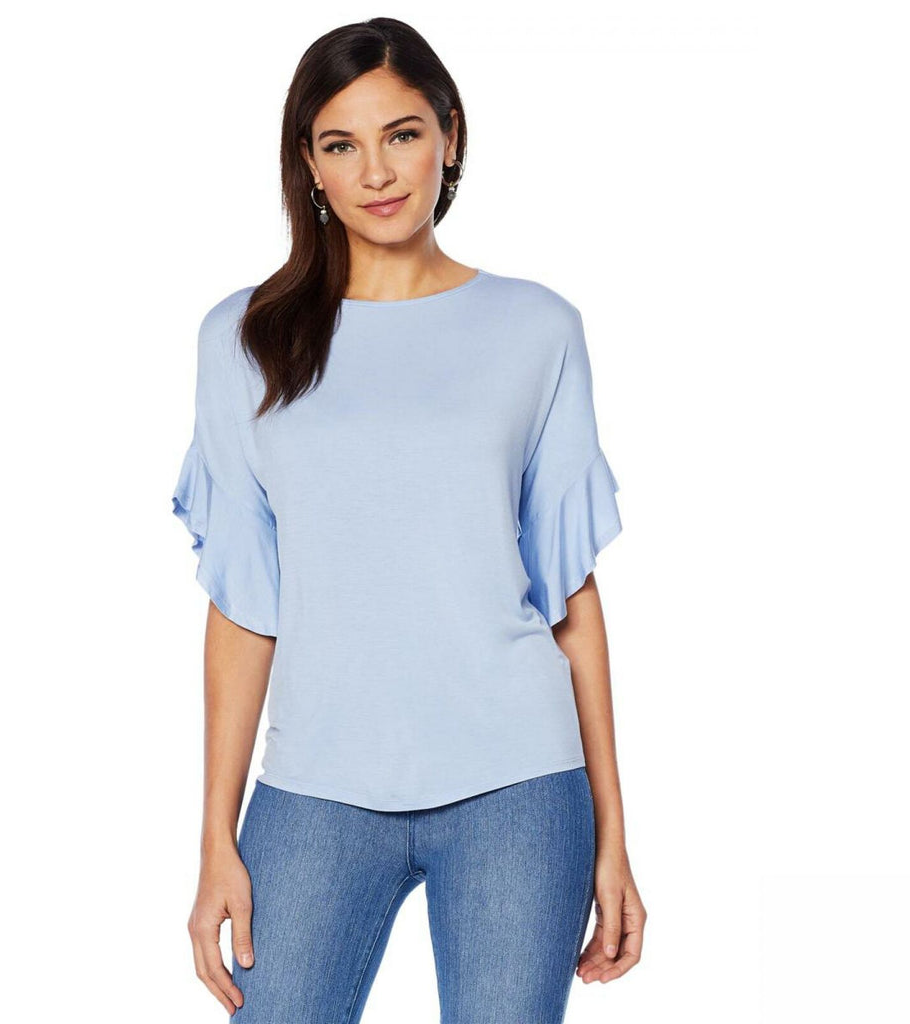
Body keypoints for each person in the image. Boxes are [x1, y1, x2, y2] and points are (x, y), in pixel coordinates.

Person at [172, 17, 646, 1022]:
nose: (377, 171)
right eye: (341, 144)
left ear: (450, 135)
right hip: (318, 785)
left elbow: (569, 600)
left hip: (519, 782)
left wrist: (613, 838)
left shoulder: (537, 328)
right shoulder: (244, 340)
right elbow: (243, 603)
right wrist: (217, 837)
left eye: (403, 134)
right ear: (308, 164)